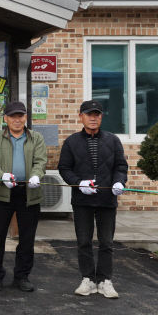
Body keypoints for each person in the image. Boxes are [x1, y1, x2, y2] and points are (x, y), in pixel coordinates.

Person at [58, 100, 128, 299]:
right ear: (81, 116)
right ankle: (87, 279)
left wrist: (119, 182)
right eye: (89, 114)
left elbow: (121, 167)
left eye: (97, 114)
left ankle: (105, 280)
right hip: (82, 201)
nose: (93, 118)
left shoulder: (113, 140)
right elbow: (64, 169)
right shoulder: (72, 142)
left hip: (107, 200)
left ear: (101, 117)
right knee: (83, 242)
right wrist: (78, 183)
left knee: (106, 242)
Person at [0, 101, 47, 292]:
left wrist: (36, 175)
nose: (17, 120)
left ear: (25, 118)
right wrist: (1, 175)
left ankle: (22, 276)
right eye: (13, 116)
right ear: (6, 119)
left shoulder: (36, 138)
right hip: (4, 192)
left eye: (20, 116)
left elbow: (41, 161)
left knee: (27, 238)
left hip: (29, 192)